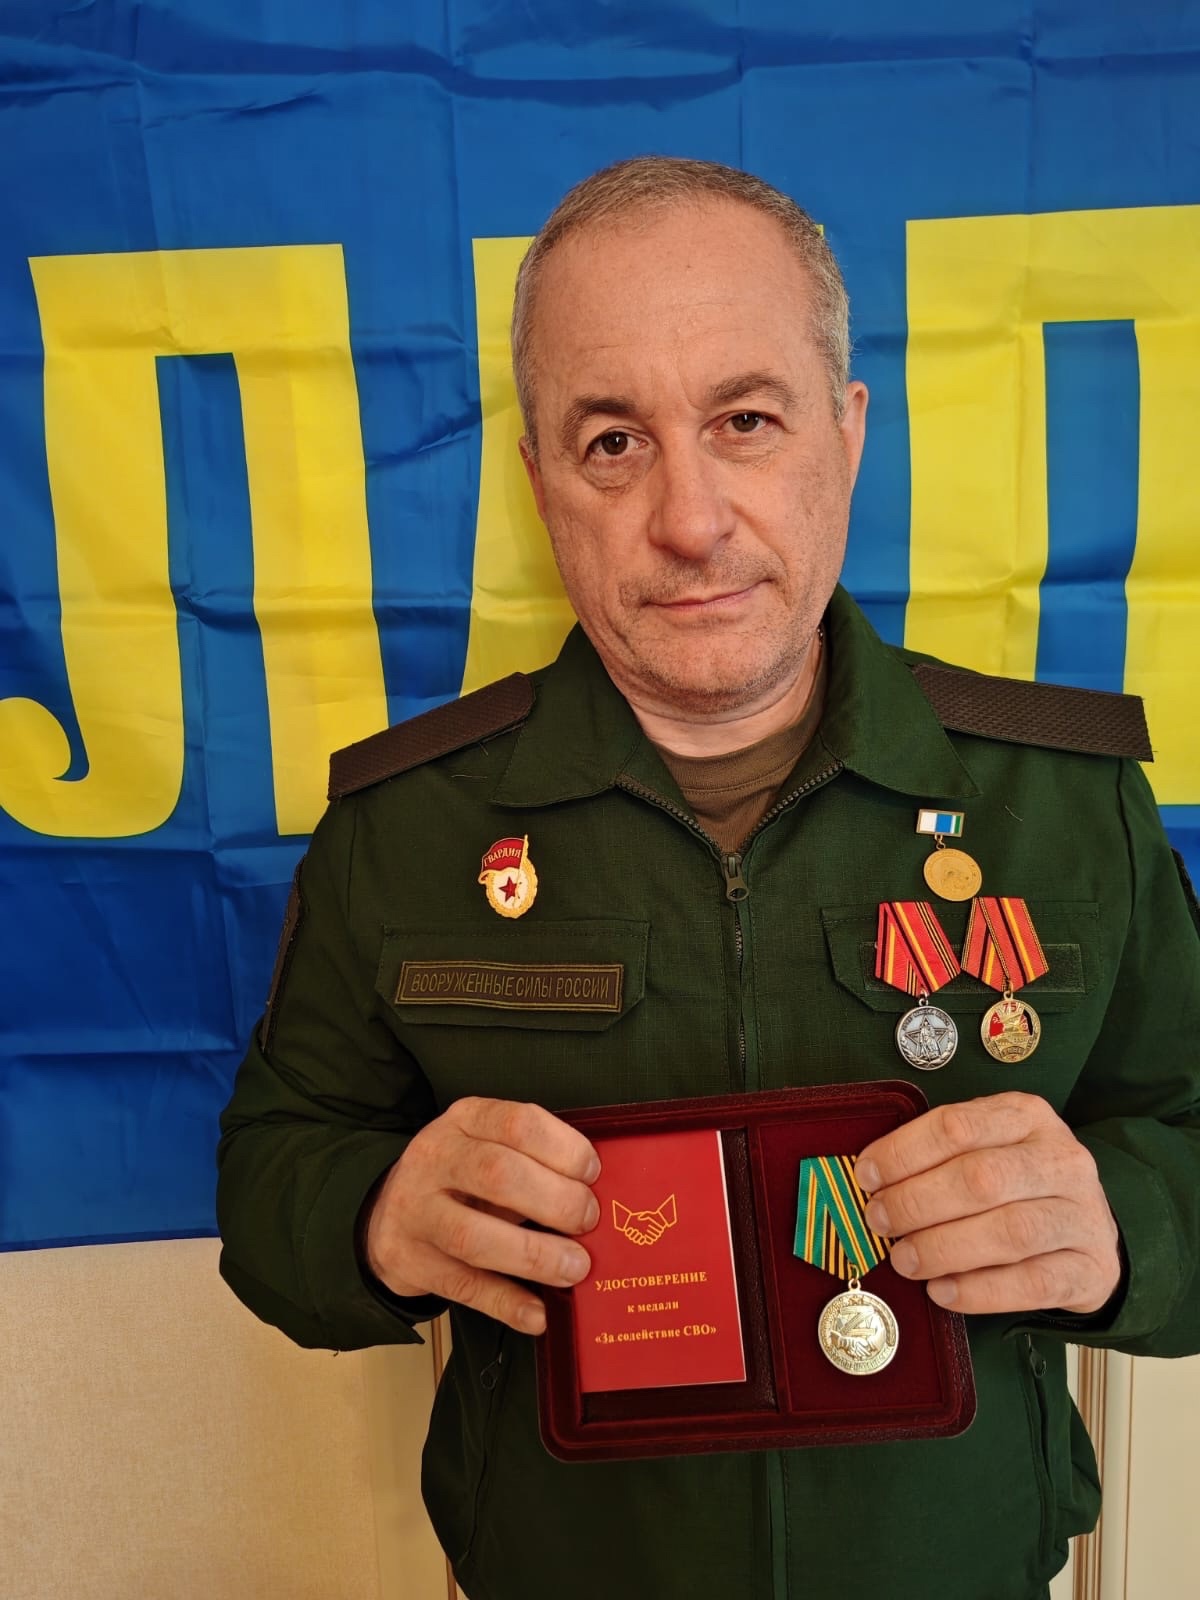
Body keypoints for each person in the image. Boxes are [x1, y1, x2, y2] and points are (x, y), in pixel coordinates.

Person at [217, 157, 1200, 1600]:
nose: (690, 520)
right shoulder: (406, 827)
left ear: (846, 436)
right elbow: (270, 1179)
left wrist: (1119, 1227)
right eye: (614, 441)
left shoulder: (1065, 804)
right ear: (541, 480)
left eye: (746, 421)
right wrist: (377, 1218)